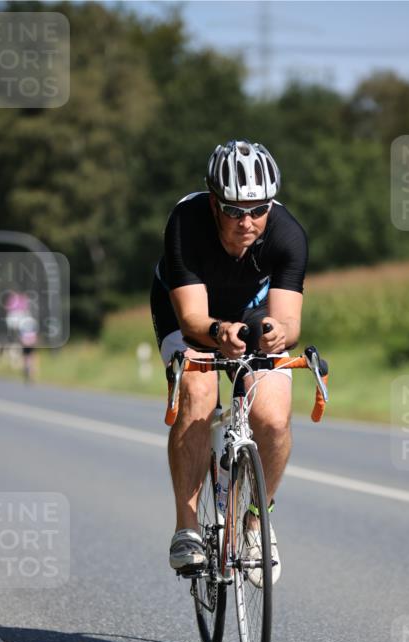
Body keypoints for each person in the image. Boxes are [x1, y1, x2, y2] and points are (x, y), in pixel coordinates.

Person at [151, 139, 308, 581]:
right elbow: (191, 318)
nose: (248, 221)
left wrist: (279, 333)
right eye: (235, 210)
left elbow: (289, 321)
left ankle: (257, 521)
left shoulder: (287, 233)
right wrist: (219, 333)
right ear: (213, 201)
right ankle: (187, 527)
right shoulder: (186, 222)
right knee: (198, 391)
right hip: (190, 315)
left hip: (251, 314)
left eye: (258, 209)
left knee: (274, 417)